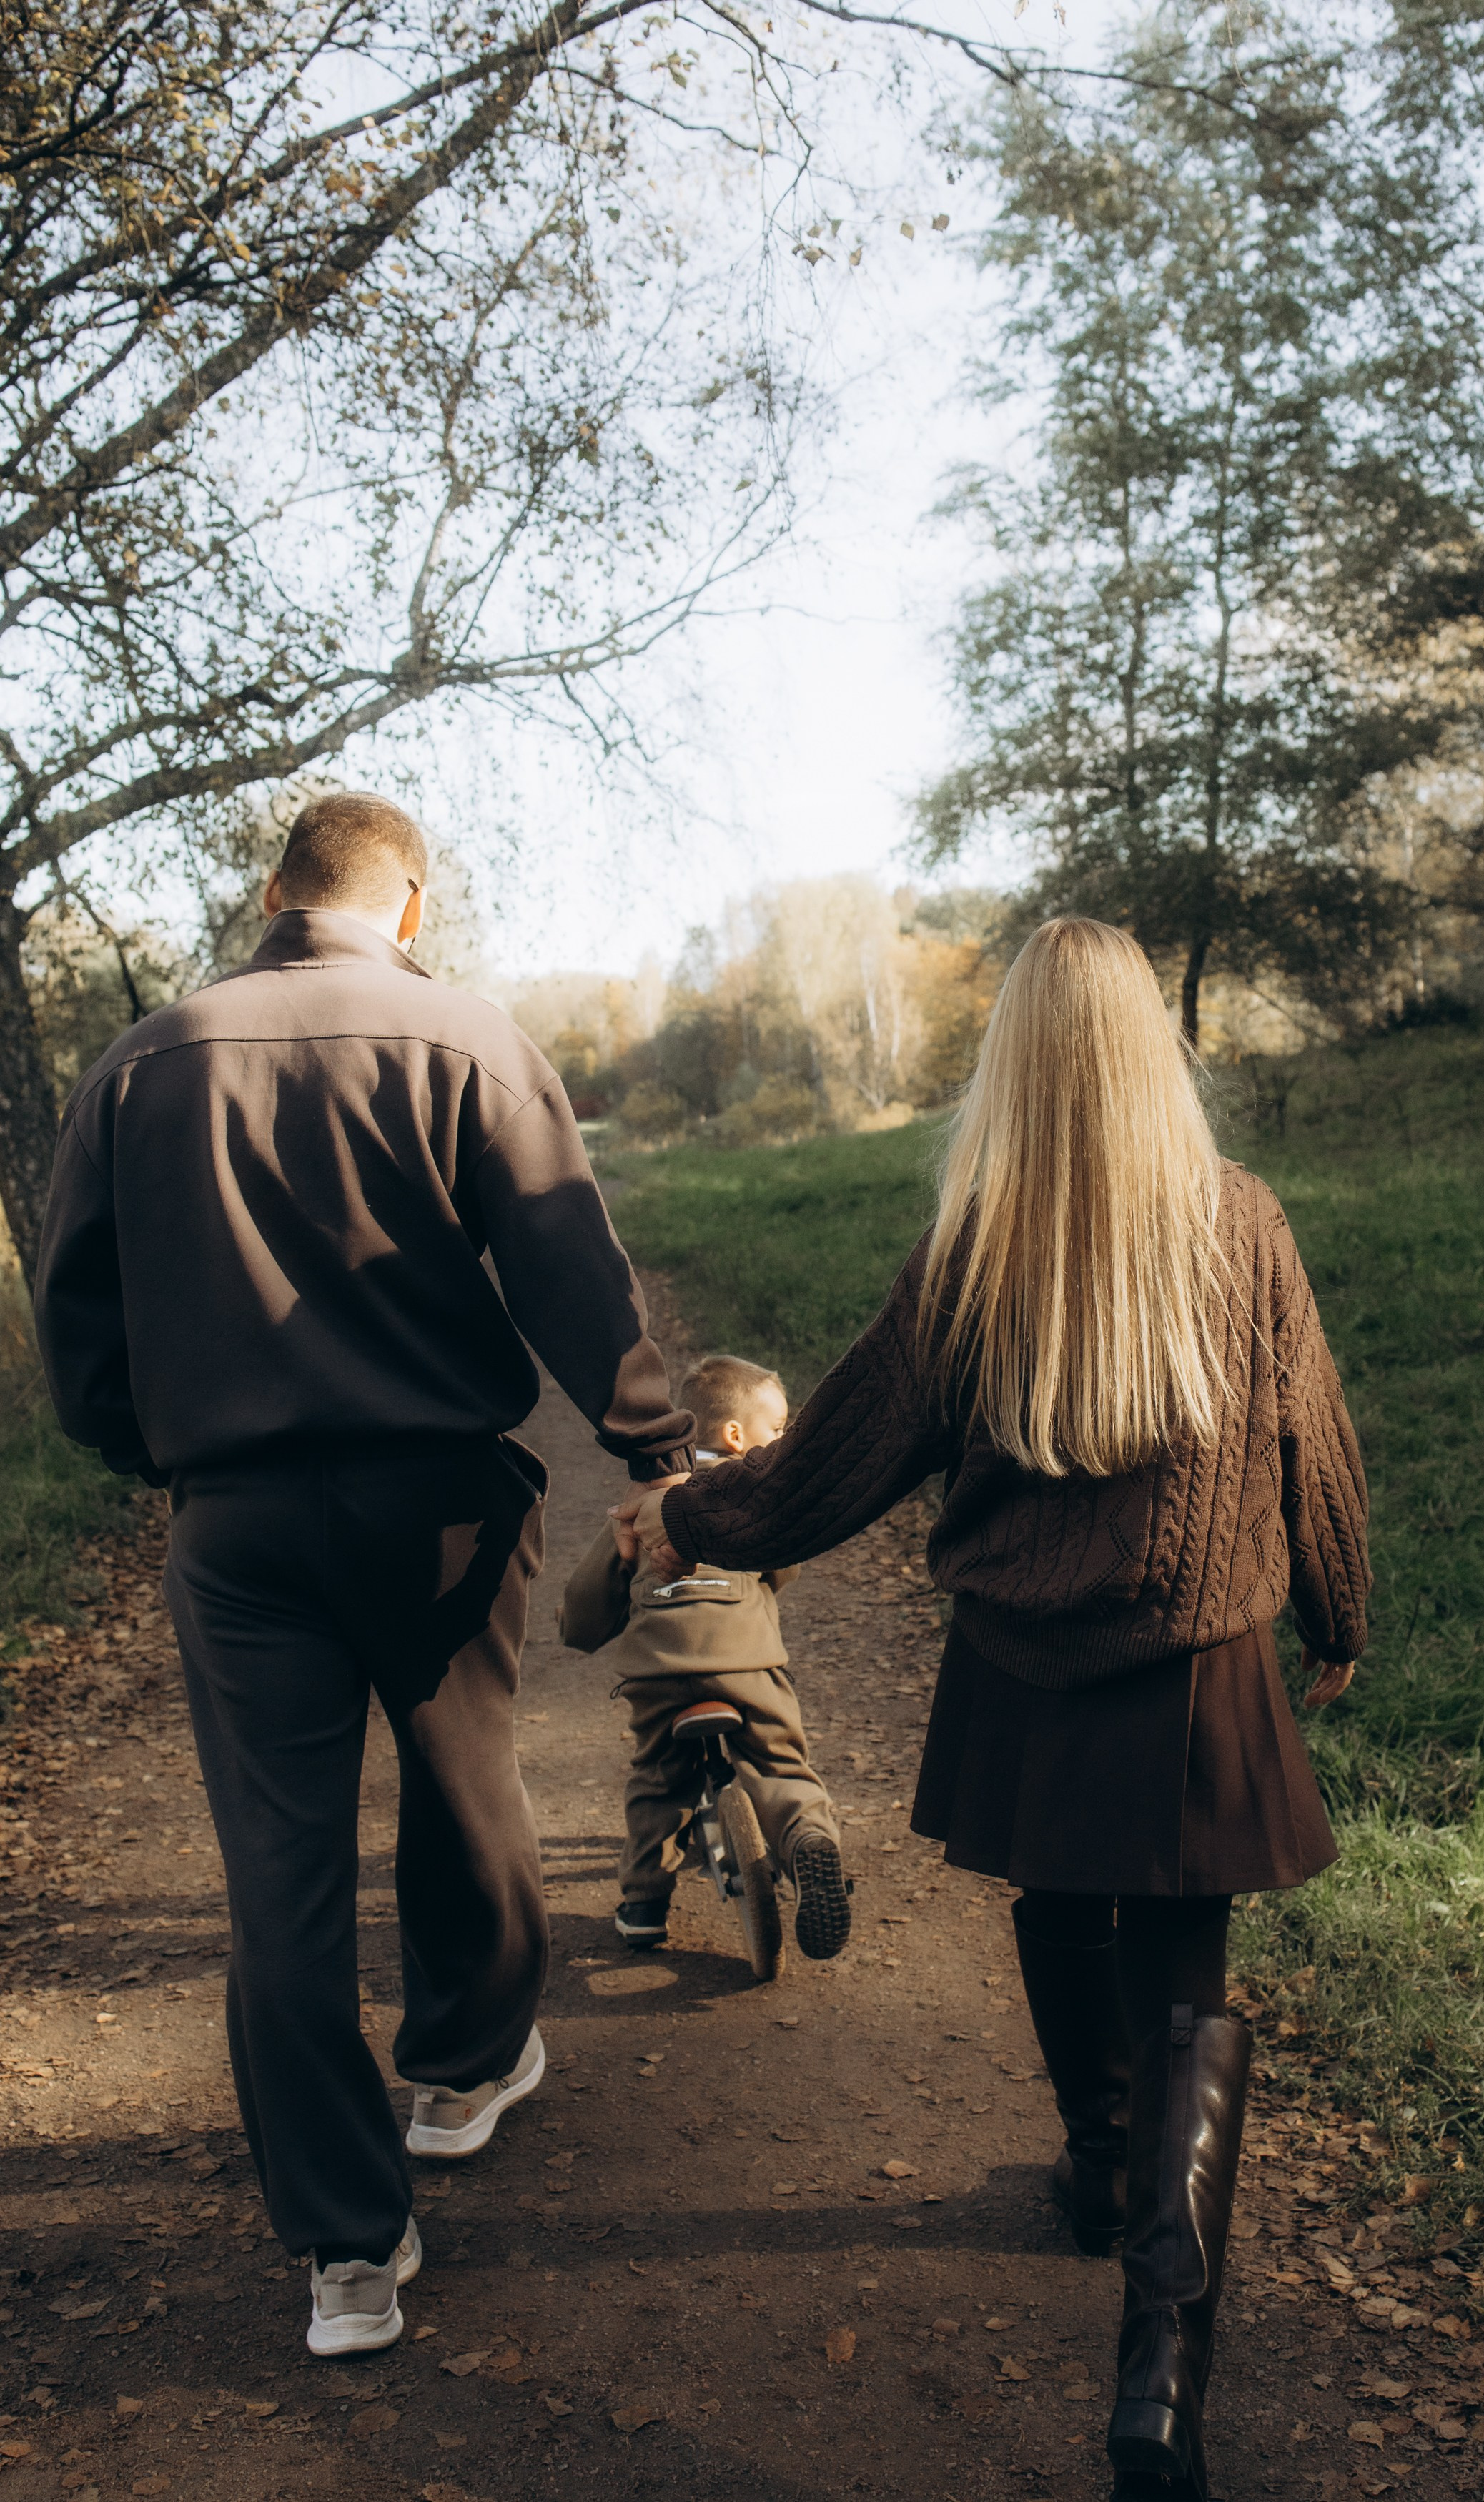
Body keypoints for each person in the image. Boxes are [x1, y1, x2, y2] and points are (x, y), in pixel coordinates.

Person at [613, 919, 1368, 2502]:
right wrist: (1334, 1607)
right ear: (1150, 1053)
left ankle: (1096, 2167)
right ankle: (1158, 2372)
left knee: (1057, 1903)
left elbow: (830, 1461)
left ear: (1008, 1065)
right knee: (1185, 1982)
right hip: (1195, 1674)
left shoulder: (974, 1253)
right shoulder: (1239, 1222)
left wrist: (685, 1518)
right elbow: (1311, 1439)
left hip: (1024, 1669)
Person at [31, 793, 696, 2358]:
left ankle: (346, 2254)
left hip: (238, 1525)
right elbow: (568, 1269)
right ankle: (461, 2073)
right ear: (407, 905)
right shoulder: (461, 1037)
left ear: (275, 894)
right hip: (438, 1505)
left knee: (281, 1882)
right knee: (468, 1789)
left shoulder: (141, 1061)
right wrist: (650, 1448)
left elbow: (79, 1325)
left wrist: (172, 1458)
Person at [561, 1354, 849, 1960]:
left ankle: (642, 1906)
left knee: (657, 1780)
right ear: (736, 1436)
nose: (783, 1440)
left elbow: (588, 1608)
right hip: (745, 1663)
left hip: (658, 1673)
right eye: (778, 1429)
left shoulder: (641, 1506)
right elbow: (784, 1566)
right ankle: (807, 1843)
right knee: (779, 1765)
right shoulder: (750, 1498)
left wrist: (579, 1630)